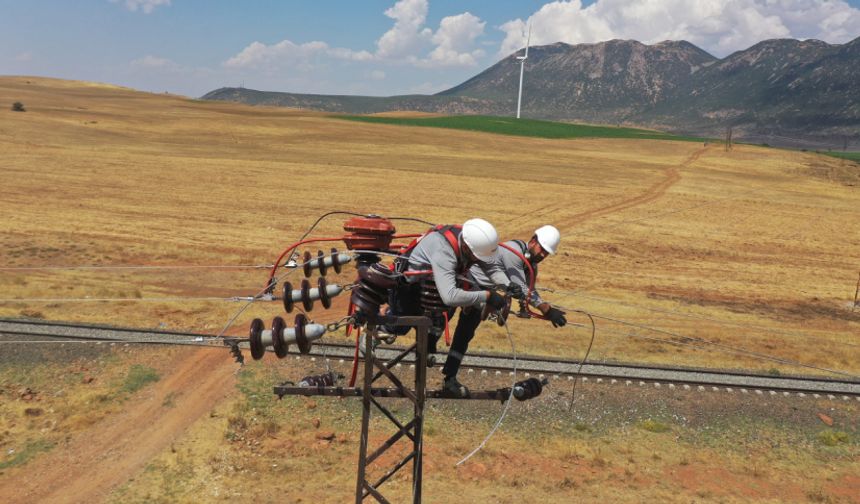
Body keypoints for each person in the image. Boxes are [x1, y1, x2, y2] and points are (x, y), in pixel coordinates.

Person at [386, 218, 521, 395]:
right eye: (475, 257)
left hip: (434, 290)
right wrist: (487, 295)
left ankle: (445, 369)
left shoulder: (472, 244)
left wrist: (507, 284)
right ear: (465, 247)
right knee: (401, 324)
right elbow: (449, 296)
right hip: (410, 290)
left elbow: (490, 266)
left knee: (466, 314)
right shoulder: (444, 251)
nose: (477, 261)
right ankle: (378, 331)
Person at [442, 225, 566, 397]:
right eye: (542, 249)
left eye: (547, 253)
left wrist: (526, 308)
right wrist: (547, 309)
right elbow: (521, 287)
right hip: (465, 281)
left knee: (464, 335)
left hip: (484, 295)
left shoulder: (530, 266)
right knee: (441, 317)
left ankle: (449, 378)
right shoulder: (514, 252)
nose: (543, 255)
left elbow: (527, 291)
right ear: (532, 241)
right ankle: (428, 350)